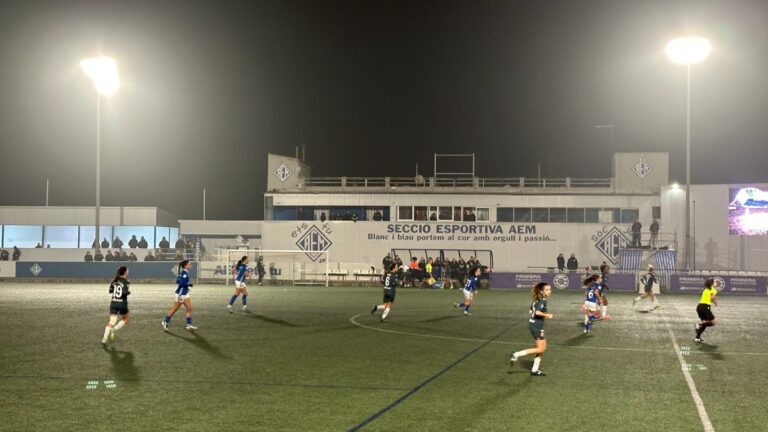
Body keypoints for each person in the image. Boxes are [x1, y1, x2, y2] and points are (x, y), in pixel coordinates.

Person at [509, 282, 554, 376]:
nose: (549, 291)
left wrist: (541, 316)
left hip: (535, 325)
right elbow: (537, 312)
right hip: (536, 326)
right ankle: (516, 354)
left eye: (550, 289)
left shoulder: (537, 299)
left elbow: (531, 311)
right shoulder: (542, 300)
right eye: (547, 289)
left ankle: (534, 370)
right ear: (542, 291)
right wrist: (547, 315)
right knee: (541, 349)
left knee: (541, 348)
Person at [161, 260, 197, 331]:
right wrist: (189, 284)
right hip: (181, 294)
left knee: (189, 308)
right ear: (185, 266)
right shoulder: (184, 274)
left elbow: (178, 281)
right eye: (189, 264)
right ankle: (165, 321)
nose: (190, 265)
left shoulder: (184, 273)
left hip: (185, 293)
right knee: (174, 309)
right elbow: (182, 283)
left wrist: (186, 285)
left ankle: (188, 325)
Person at [101, 266, 131, 345]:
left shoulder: (114, 281)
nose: (128, 272)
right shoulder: (126, 281)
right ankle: (114, 329)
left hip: (113, 303)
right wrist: (128, 292)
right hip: (122, 304)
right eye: (127, 271)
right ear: (125, 272)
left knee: (111, 322)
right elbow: (124, 292)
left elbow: (110, 291)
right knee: (126, 318)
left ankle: (104, 339)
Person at [694, 278, 718, 342]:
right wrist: (715, 302)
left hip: (699, 307)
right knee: (713, 323)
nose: (716, 283)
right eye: (715, 282)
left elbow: (708, 297)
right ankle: (699, 325)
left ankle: (697, 338)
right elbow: (712, 298)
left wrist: (714, 300)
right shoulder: (713, 290)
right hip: (705, 307)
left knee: (704, 323)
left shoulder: (706, 289)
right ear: (712, 283)